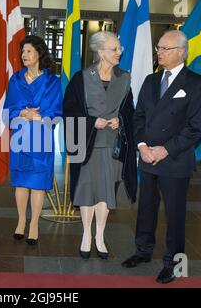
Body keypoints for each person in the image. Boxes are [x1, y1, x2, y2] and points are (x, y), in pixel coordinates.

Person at [122, 30, 201, 284]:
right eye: (158, 47)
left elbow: (195, 128)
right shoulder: (151, 80)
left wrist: (165, 149)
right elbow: (138, 117)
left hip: (174, 160)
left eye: (164, 48)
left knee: (175, 213)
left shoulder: (197, 83)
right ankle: (143, 250)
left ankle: (174, 262)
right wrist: (142, 146)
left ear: (181, 52)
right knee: (146, 208)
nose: (158, 52)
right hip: (148, 157)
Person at [63, 31, 137, 260]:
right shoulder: (81, 77)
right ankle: (86, 234)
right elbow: (69, 109)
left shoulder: (125, 78)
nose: (119, 53)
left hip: (111, 144)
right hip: (87, 142)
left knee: (106, 191)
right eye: (114, 49)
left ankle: (100, 236)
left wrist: (120, 120)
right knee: (87, 189)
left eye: (119, 49)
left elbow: (129, 111)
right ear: (100, 51)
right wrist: (92, 121)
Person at [4, 35, 63, 245]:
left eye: (28, 51)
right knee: (21, 182)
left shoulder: (52, 81)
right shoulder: (16, 80)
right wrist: (20, 113)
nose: (24, 55)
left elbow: (57, 111)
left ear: (39, 53)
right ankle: (21, 221)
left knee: (38, 184)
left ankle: (34, 224)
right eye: (22, 52)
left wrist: (37, 116)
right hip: (20, 137)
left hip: (41, 138)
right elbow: (8, 109)